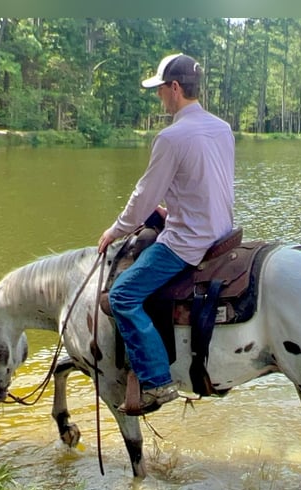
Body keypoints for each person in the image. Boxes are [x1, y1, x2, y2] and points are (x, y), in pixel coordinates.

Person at [98, 53, 235, 415]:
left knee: (123, 295)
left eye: (161, 89)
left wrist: (116, 229)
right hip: (221, 231)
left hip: (188, 242)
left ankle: (157, 381)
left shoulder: (172, 137)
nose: (159, 96)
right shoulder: (222, 127)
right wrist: (172, 210)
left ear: (175, 88)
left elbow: (144, 195)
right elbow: (204, 186)